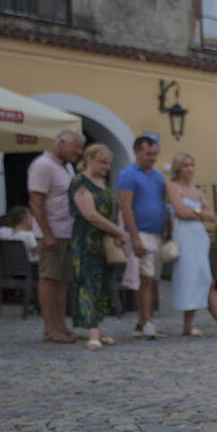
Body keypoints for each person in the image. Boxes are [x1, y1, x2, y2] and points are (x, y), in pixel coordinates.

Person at [166, 152, 217, 338]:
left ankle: (188, 326)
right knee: (203, 281)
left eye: (192, 165)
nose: (190, 169)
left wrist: (194, 211)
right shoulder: (172, 187)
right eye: (185, 165)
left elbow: (212, 216)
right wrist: (199, 212)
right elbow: (181, 211)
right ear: (178, 167)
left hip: (199, 239)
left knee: (203, 280)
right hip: (184, 237)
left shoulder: (197, 191)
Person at [67, 144, 128, 350]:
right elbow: (90, 215)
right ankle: (92, 333)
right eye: (103, 162)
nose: (107, 167)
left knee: (104, 284)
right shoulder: (79, 182)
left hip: (106, 241)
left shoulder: (102, 183)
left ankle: (99, 332)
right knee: (89, 283)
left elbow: (114, 209)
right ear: (90, 159)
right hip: (87, 240)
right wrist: (118, 231)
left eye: (109, 164)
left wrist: (118, 231)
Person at [29, 128, 84, 343]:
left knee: (63, 280)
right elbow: (36, 201)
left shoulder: (67, 167)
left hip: (67, 232)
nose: (79, 152)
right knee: (49, 278)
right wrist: (47, 234)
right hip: (51, 233)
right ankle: (49, 329)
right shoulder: (42, 165)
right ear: (61, 143)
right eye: (76, 147)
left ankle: (61, 326)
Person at [116, 135, 166, 339]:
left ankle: (143, 321)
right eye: (148, 154)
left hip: (156, 233)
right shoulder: (127, 175)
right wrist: (134, 236)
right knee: (144, 278)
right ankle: (147, 322)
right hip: (141, 232)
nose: (153, 158)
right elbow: (126, 206)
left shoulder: (158, 176)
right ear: (137, 152)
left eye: (155, 154)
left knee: (151, 278)